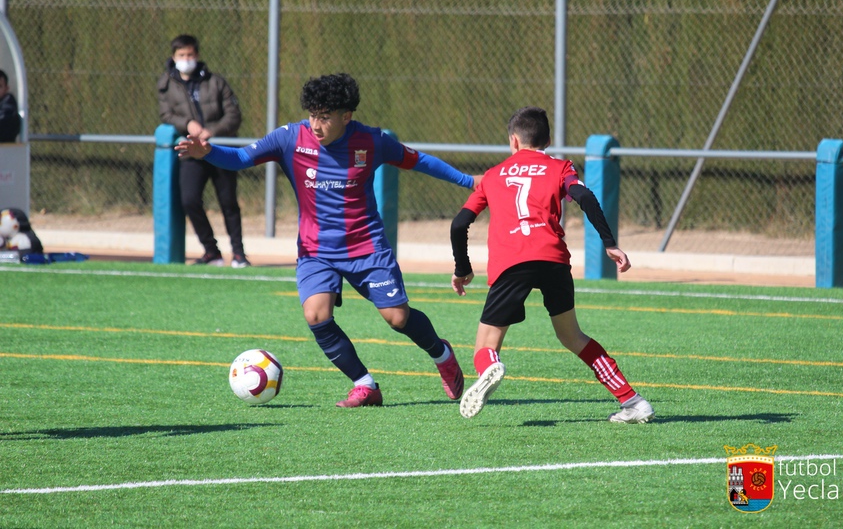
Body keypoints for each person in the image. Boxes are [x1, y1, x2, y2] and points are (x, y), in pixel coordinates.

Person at [176, 73, 469, 408]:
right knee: (316, 315)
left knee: (397, 319)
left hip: (366, 247)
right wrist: (208, 152)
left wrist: (467, 180)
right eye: (313, 114)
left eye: (325, 117)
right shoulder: (290, 138)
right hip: (316, 251)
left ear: (347, 117)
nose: (316, 124)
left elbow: (419, 161)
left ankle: (441, 354)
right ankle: (365, 385)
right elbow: (241, 158)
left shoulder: (372, 141)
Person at [450, 106, 655, 423]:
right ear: (547, 140)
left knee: (485, 344)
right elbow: (585, 198)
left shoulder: (493, 176)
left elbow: (459, 224)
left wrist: (462, 268)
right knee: (573, 337)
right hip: (553, 259)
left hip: (512, 261)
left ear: (514, 141)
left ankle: (490, 366)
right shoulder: (560, 168)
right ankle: (633, 402)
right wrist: (610, 244)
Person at [157, 34, 249, 268]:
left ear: (196, 56)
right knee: (189, 200)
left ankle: (239, 255)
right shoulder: (166, 84)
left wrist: (211, 131)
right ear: (174, 57)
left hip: (220, 148)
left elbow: (233, 115)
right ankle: (212, 252)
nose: (186, 59)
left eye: (190, 55)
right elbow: (166, 114)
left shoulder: (216, 82)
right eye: (181, 55)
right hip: (191, 151)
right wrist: (187, 124)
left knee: (228, 202)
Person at [0, 70, 21, 143]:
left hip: (5, 149)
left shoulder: (8, 102)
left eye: (0, 86)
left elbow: (4, 119)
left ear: (6, 89)